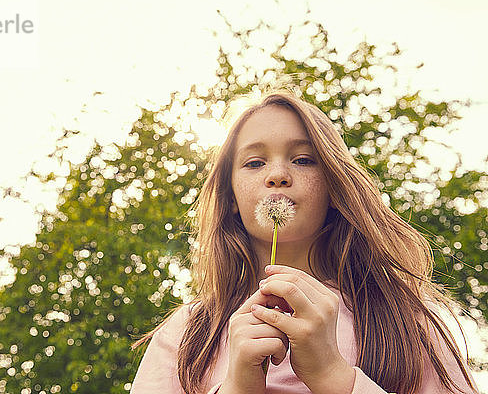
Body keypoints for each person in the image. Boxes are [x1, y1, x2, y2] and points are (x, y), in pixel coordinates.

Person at [129, 90, 480, 394]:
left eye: (303, 159)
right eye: (254, 162)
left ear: (333, 186)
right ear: (230, 197)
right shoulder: (187, 335)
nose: (278, 175)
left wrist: (334, 375)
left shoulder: (406, 319)